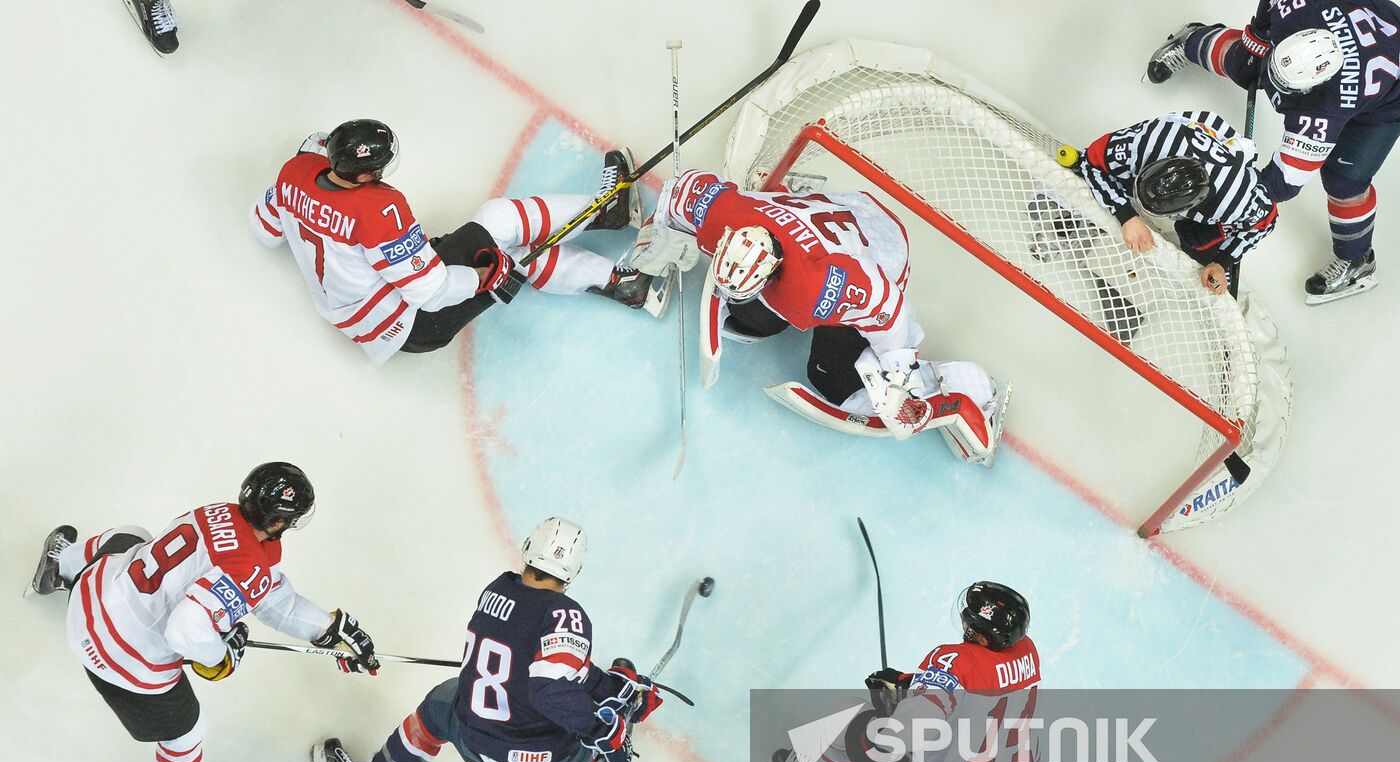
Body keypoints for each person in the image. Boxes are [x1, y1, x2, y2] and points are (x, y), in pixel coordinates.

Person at [29, 462, 381, 762]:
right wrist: (221, 656)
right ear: (279, 522)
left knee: (132, 537)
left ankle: (61, 563)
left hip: (90, 597)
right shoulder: (248, 567)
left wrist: (328, 628)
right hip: (116, 655)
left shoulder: (219, 513)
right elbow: (186, 629)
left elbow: (267, 591)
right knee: (187, 730)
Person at [626, 169, 1011, 464]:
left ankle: (972, 388)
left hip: (881, 248)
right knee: (747, 318)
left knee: (831, 376)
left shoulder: (818, 288)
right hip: (834, 212)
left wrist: (898, 381)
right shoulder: (722, 214)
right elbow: (678, 191)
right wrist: (653, 245)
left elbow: (890, 311)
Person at [310, 517, 663, 762]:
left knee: (440, 703)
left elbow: (547, 666)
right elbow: (552, 688)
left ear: (528, 548)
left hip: (472, 742)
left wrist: (607, 684)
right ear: (575, 570)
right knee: (596, 716)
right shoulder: (564, 614)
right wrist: (609, 729)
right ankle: (619, 722)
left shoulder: (497, 590)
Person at [250, 119, 652, 364]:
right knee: (502, 229)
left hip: (370, 320)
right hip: (415, 320)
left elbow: (264, 230)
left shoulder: (293, 173)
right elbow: (431, 292)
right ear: (363, 175)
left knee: (509, 253)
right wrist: (483, 277)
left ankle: (623, 280)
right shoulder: (378, 210)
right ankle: (610, 213)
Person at [767, 582, 1064, 762]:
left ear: (980, 633)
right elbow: (981, 688)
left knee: (850, 712)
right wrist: (908, 684)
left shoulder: (951, 660)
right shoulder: (1027, 652)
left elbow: (911, 729)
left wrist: (890, 722)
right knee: (1021, 753)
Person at [1146, 3, 1400, 303]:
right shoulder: (1299, 6)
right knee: (1245, 62)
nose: (1270, 81)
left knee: (1344, 180)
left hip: (1389, 99)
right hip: (1372, 25)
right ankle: (1190, 41)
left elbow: (1281, 183)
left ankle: (1357, 260)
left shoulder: (1325, 108)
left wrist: (1229, 209)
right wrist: (1256, 37)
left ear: (1312, 87)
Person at [1073, 111, 1279, 296]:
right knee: (1104, 177)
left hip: (1230, 158)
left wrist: (1221, 262)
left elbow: (1266, 221)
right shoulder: (1142, 144)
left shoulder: (1233, 201)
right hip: (1183, 132)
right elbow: (1089, 160)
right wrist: (1127, 216)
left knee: (1199, 241)